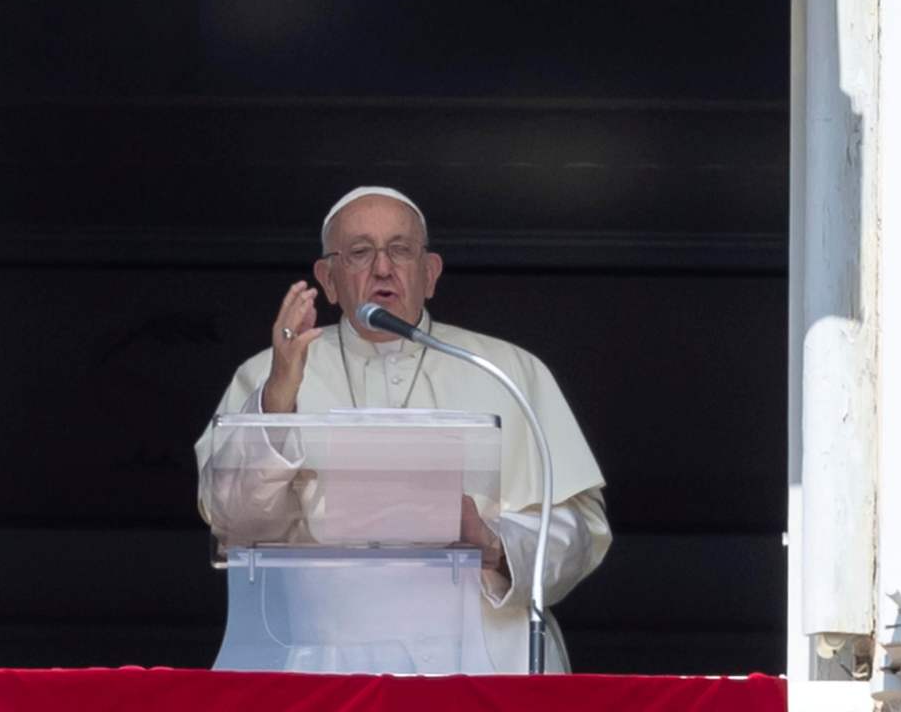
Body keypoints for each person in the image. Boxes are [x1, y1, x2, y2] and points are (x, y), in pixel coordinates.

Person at [194, 186, 610, 673]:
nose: (383, 268)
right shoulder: (268, 374)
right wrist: (280, 394)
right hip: (326, 666)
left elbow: (583, 528)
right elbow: (233, 522)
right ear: (328, 279)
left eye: (400, 249)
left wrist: (492, 540)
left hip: (486, 665)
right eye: (359, 252)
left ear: (430, 273)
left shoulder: (508, 370)